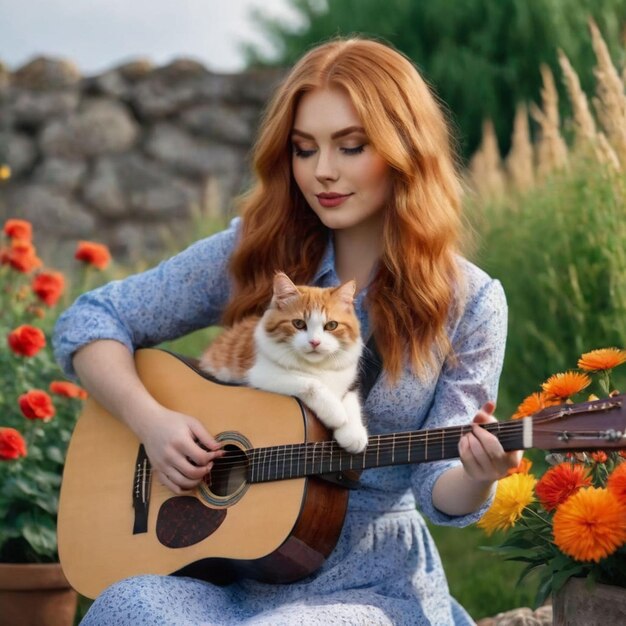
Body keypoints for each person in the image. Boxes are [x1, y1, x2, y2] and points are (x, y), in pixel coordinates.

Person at [54, 37, 521, 626]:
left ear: (406, 149)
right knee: (130, 606)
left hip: (373, 583)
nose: (323, 171)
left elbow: (440, 489)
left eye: (350, 146)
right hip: (233, 570)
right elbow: (91, 320)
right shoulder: (256, 250)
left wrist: (479, 477)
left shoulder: (469, 300)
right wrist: (153, 423)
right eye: (304, 149)